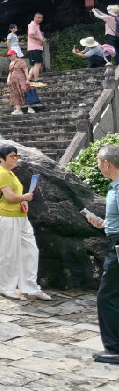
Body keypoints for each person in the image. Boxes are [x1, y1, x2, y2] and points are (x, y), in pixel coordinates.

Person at [0, 145, 51, 300]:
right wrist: (24, 197)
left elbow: (14, 196)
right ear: (1, 158)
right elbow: (9, 197)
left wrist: (23, 201)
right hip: (6, 217)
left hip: (20, 216)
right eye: (11, 156)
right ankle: (6, 287)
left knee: (30, 251)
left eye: (16, 156)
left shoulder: (11, 173)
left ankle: (30, 286)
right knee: (8, 253)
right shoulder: (2, 174)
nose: (15, 158)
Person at [82, 145, 119, 364]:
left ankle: (114, 348)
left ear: (106, 163)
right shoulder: (113, 187)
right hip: (114, 240)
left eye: (98, 162)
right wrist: (103, 224)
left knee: (107, 296)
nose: (98, 166)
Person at [7, 49, 33, 115]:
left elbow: (25, 70)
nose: (10, 56)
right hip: (13, 81)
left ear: (15, 54)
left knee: (25, 91)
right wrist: (8, 79)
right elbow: (10, 72)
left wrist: (27, 79)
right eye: (8, 55)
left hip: (21, 79)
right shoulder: (10, 63)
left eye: (11, 55)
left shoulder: (21, 61)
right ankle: (18, 109)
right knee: (15, 94)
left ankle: (29, 108)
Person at [27, 12, 45, 81]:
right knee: (38, 64)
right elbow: (31, 35)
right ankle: (36, 79)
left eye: (41, 18)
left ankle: (28, 79)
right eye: (38, 17)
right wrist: (41, 40)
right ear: (34, 17)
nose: (40, 19)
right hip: (35, 48)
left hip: (36, 47)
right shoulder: (32, 25)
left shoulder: (37, 26)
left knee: (34, 65)